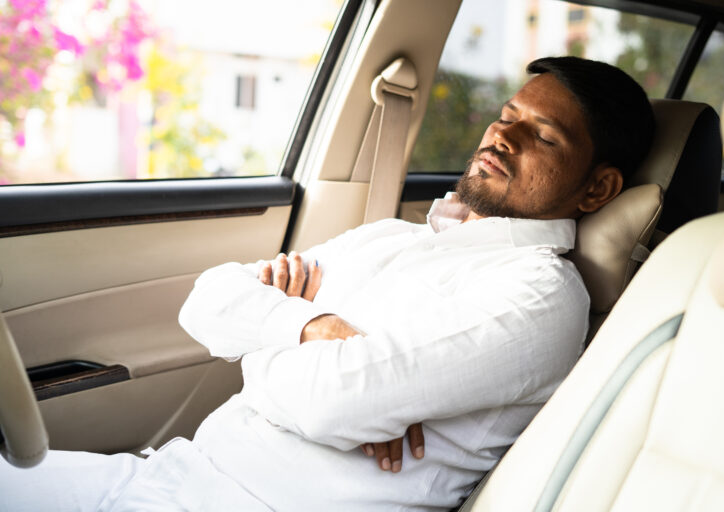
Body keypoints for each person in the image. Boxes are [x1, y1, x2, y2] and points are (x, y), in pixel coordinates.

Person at [0, 56, 655, 511]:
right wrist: (308, 326)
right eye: (506, 114)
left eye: (540, 134)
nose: (500, 135)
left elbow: (325, 403)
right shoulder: (395, 238)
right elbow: (206, 300)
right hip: (167, 473)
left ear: (597, 187)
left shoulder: (540, 299)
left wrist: (275, 343)